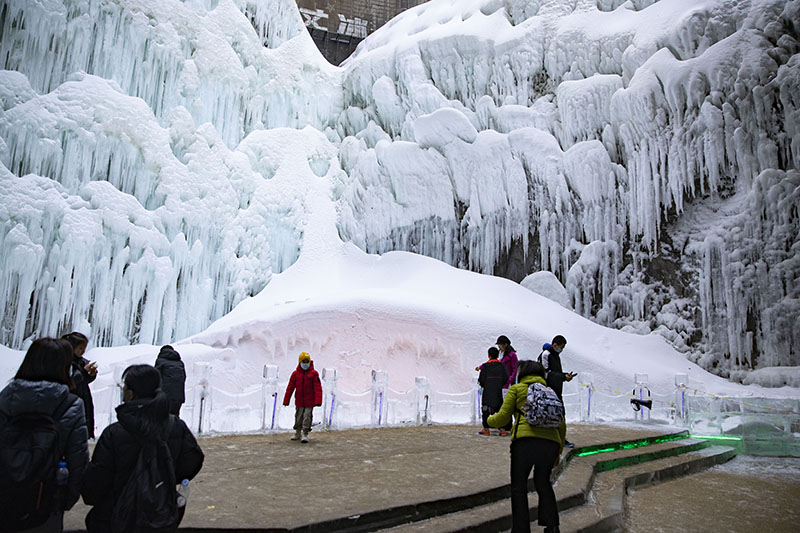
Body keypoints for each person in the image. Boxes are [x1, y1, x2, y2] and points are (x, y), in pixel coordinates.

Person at [81, 364, 204, 532]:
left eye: (125, 387)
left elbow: (97, 480)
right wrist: (164, 478)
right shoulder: (176, 426)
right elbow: (193, 460)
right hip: (161, 511)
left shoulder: (114, 433)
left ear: (131, 393)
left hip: (116, 513)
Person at [0, 337, 90, 532]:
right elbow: (78, 460)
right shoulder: (71, 404)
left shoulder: (6, 396)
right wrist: (65, 499)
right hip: (47, 496)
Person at [488, 360, 565, 533]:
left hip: (524, 443)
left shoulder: (517, 389)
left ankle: (521, 529)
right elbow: (561, 423)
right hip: (550, 444)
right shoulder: (550, 391)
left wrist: (489, 419)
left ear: (522, 374)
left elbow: (503, 418)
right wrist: (558, 450)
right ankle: (552, 526)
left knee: (519, 487)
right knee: (543, 482)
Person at [538, 335, 576, 447]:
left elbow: (555, 373)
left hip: (556, 390)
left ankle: (560, 438)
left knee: (559, 414)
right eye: (561, 347)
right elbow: (546, 374)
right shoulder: (546, 355)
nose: (561, 350)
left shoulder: (555, 355)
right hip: (549, 390)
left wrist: (564, 376)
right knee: (553, 415)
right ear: (555, 345)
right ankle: (556, 439)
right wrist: (563, 377)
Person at [62, 332, 97, 439]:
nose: (83, 351)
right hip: (71, 398)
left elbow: (83, 380)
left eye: (84, 348)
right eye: (80, 348)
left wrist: (91, 374)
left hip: (83, 395)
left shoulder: (81, 362)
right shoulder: (65, 361)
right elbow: (70, 380)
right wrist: (83, 372)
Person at [283, 352, 322, 443]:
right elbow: (290, 388)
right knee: (298, 417)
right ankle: (297, 432)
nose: (305, 364)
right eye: (303, 362)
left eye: (306, 362)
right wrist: (286, 400)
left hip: (310, 401)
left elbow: (318, 388)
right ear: (299, 362)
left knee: (307, 417)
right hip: (299, 401)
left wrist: (318, 401)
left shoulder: (314, 374)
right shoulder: (295, 374)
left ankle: (305, 433)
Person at [477, 347, 508, 435]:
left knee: (485, 410)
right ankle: (502, 429)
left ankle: (486, 429)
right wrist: (500, 385)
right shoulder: (502, 366)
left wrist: (485, 385)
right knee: (499, 410)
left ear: (489, 355)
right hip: (498, 391)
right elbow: (506, 378)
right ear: (498, 355)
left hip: (487, 391)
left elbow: (481, 380)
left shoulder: (485, 366)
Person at [155, 345, 186, 416]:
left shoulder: (160, 361)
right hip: (178, 397)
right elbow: (183, 377)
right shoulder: (180, 363)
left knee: (162, 418)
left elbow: (155, 377)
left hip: (164, 397)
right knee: (174, 418)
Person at [496, 335, 518, 433]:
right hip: (500, 382)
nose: (499, 347)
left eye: (500, 345)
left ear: (505, 344)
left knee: (507, 404)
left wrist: (510, 379)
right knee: (501, 404)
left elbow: (515, 369)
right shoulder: (500, 354)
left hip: (507, 383)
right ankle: (503, 424)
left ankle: (507, 425)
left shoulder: (512, 355)